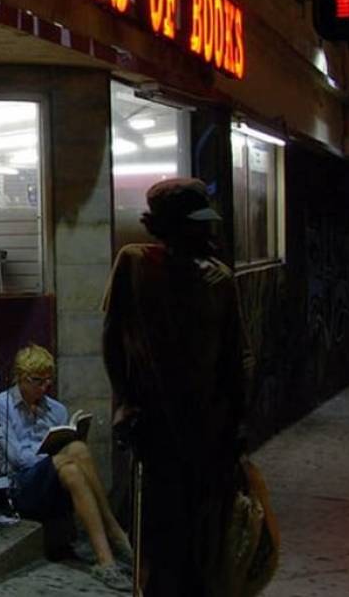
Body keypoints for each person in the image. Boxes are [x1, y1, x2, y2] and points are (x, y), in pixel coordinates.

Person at [102, 177, 252, 597]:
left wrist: (239, 422)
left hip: (210, 429)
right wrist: (123, 402)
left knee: (204, 544)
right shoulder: (134, 265)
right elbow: (112, 340)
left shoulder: (219, 280)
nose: (207, 232)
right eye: (196, 224)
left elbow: (236, 357)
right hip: (155, 428)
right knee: (159, 540)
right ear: (169, 227)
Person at [0, 343, 134, 592]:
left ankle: (106, 561)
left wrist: (60, 454)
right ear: (21, 378)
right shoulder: (1, 405)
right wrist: (51, 456)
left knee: (75, 457)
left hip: (55, 478)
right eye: (37, 381)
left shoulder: (56, 409)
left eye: (48, 381)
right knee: (70, 456)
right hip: (20, 485)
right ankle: (114, 531)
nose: (44, 387)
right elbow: (17, 458)